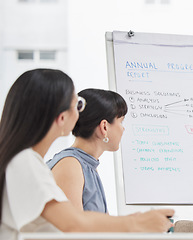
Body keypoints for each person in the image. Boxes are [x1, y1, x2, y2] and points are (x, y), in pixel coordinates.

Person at [0, 69, 174, 240]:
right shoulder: (26, 161)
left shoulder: (26, 162)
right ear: (61, 117)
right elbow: (74, 225)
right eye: (78, 105)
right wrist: (138, 222)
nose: (80, 113)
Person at [47, 89, 127, 213]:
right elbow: (73, 228)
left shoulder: (86, 164)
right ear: (104, 126)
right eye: (121, 121)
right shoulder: (70, 165)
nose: (123, 129)